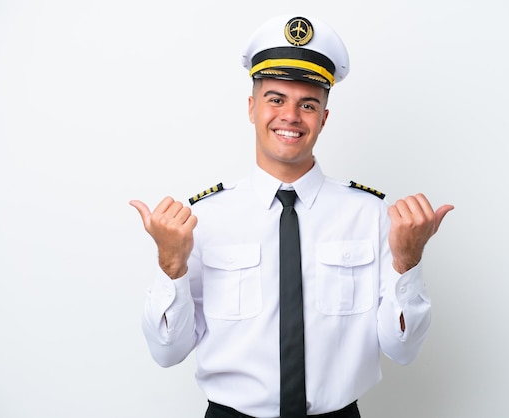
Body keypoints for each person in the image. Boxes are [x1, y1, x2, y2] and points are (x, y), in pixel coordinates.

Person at [130, 14, 453, 418]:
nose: (290, 116)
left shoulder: (370, 215)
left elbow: (402, 351)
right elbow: (167, 352)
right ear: (252, 107)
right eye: (276, 99)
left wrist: (408, 262)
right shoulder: (203, 219)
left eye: (308, 104)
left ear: (324, 117)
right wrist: (170, 265)